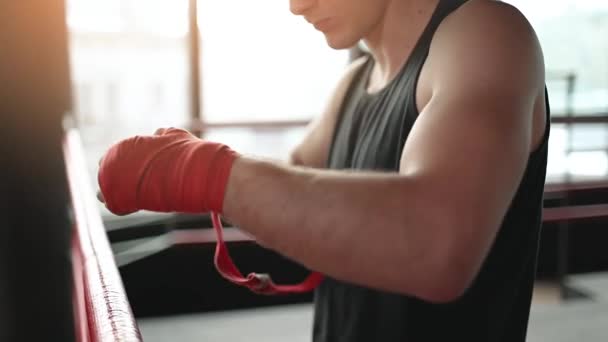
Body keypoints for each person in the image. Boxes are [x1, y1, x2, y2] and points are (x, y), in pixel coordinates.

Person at [97, 0, 550, 340]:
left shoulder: (486, 36)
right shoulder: (353, 83)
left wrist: (201, 171)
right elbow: (292, 185)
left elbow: (434, 243)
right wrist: (183, 159)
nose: (297, 5)